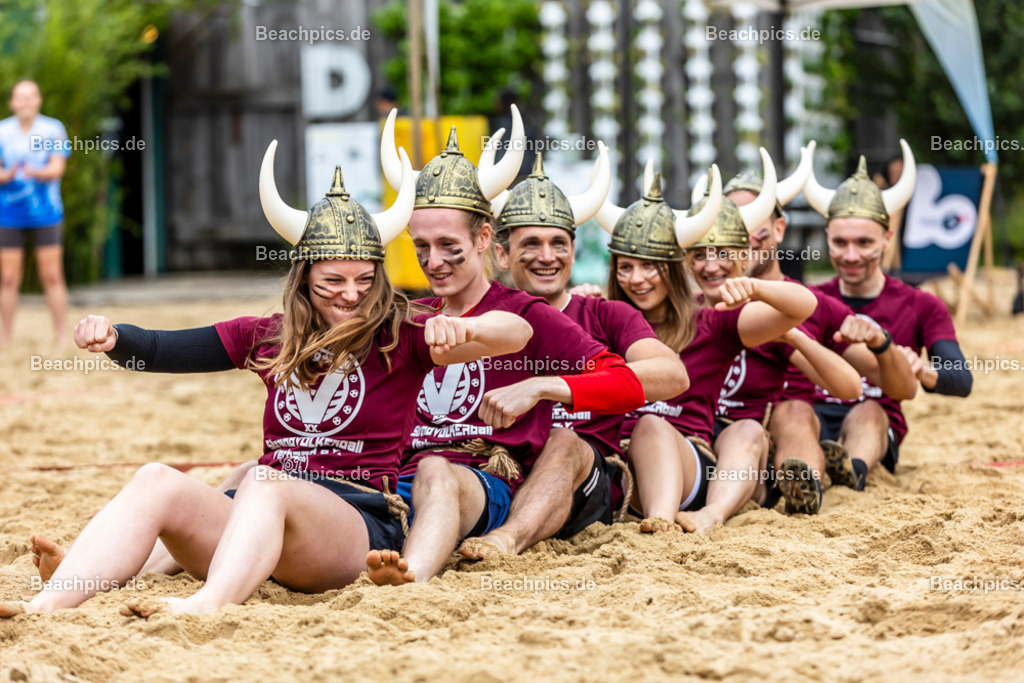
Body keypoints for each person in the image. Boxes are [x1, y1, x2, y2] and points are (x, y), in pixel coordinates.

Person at [0, 141, 533, 618]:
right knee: (156, 479)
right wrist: (113, 336)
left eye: (364, 281)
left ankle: (207, 604)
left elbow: (516, 333)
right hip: (260, 522)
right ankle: (45, 603)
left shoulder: (403, 331)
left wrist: (465, 326)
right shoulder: (267, 336)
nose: (350, 294)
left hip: (355, 524)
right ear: (303, 278)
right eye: (333, 282)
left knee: (262, 477)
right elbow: (165, 348)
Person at [366, 113, 645, 585]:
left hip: (479, 481)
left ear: (483, 240)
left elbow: (627, 384)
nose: (434, 263)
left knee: (443, 469)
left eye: (449, 246)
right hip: (397, 482)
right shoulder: (408, 315)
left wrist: (541, 386)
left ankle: (413, 581)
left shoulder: (530, 314)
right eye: (421, 247)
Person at [456, 147, 690, 559]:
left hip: (586, 479)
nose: (547, 256)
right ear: (501, 254)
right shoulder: (478, 318)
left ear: (574, 250)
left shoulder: (608, 313)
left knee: (564, 439)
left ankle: (506, 541)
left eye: (558, 243)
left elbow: (672, 376)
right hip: (497, 471)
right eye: (531, 244)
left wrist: (545, 387)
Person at [597, 149, 816, 534]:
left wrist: (755, 285)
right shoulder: (602, 318)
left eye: (651, 265)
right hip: (614, 463)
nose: (637, 279)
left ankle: (673, 524)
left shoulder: (710, 323)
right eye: (626, 266)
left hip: (684, 465)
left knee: (674, 426)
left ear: (674, 267)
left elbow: (803, 305)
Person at [722, 144, 917, 513]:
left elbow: (898, 387)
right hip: (719, 436)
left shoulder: (816, 305)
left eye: (754, 228)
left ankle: (810, 489)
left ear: (779, 228)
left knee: (798, 411)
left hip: (781, 433)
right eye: (732, 229)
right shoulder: (694, 305)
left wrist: (881, 342)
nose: (743, 240)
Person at [682, 151, 862, 517]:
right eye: (701, 253)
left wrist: (793, 336)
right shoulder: (686, 310)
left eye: (725, 251)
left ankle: (804, 479)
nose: (712, 264)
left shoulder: (770, 316)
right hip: (688, 436)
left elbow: (850, 387)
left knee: (792, 414)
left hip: (751, 438)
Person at [803, 140, 972, 490]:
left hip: (875, 424)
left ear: (887, 239)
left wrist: (922, 370)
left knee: (870, 411)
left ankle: (852, 472)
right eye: (840, 243)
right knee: (794, 414)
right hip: (811, 418)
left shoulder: (922, 305)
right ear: (827, 238)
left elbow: (961, 379)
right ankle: (813, 476)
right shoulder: (811, 300)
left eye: (864, 243)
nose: (850, 255)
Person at [0, 79, 70, 345]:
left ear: (39, 100)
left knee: (52, 276)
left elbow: (57, 168)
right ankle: (5, 338)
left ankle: (61, 336)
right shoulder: (2, 132)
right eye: (20, 96)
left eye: (31, 96)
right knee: (7, 278)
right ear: (12, 102)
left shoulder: (53, 129)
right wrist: (5, 176)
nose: (26, 101)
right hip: (7, 214)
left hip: (47, 213)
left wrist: (34, 172)